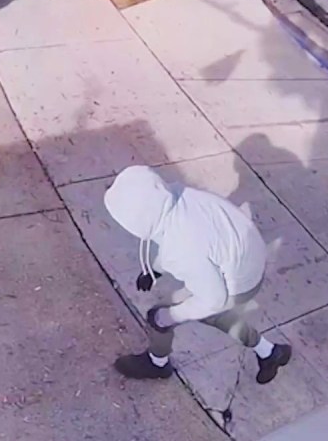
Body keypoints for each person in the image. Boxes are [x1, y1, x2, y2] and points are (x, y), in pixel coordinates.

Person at [103, 165, 291, 384]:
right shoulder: (179, 197)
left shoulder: (181, 249)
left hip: (238, 281)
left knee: (162, 315)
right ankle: (269, 352)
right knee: (214, 316)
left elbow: (213, 298)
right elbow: (179, 237)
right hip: (248, 261)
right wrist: (155, 269)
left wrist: (171, 317)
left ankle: (157, 364)